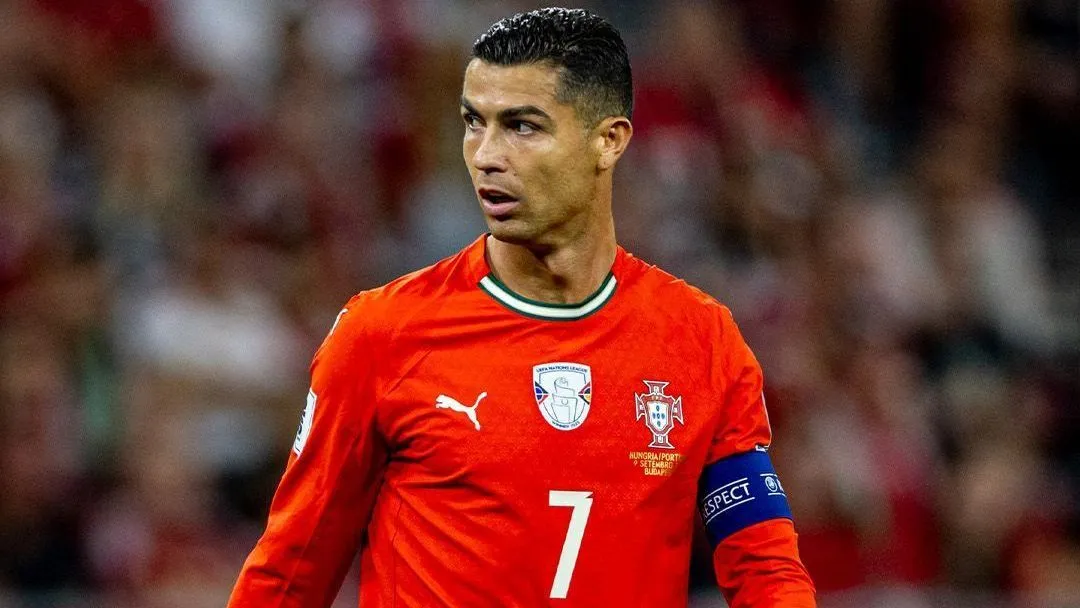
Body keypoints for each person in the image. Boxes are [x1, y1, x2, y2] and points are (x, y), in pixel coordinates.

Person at [227, 7, 816, 607]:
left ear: (608, 141)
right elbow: (288, 576)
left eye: (522, 126)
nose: (486, 155)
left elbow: (764, 567)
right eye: (473, 123)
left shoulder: (700, 340)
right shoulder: (383, 336)